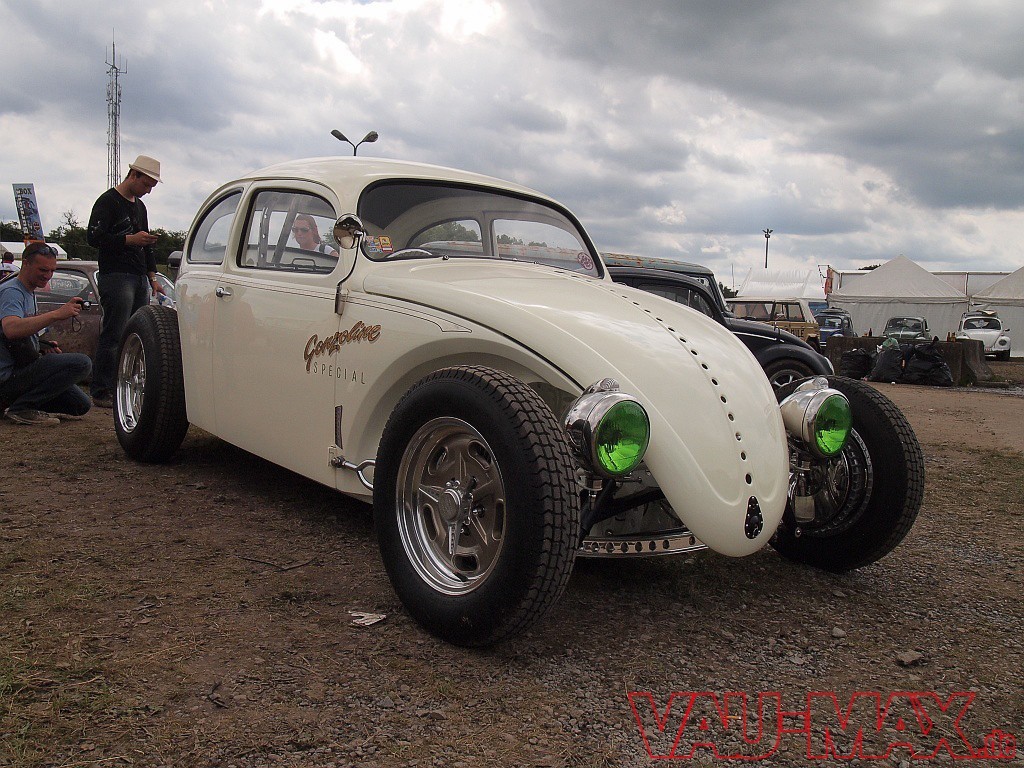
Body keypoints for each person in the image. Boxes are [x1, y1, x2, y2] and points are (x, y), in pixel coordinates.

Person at [87, 154, 166, 407]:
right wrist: (130, 240)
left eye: (151, 187)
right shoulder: (108, 201)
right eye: (146, 185)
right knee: (115, 333)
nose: (147, 191)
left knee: (135, 333)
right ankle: (102, 390)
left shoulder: (140, 207)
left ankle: (126, 387)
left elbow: (146, 247)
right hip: (116, 275)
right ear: (133, 175)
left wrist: (152, 276)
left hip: (138, 276)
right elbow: (93, 237)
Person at [0, 242, 92, 426]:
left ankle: (14, 404)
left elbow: (16, 336)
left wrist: (42, 346)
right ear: (25, 263)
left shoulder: (29, 291)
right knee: (82, 363)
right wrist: (56, 314)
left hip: (19, 371)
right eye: (43, 270)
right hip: (7, 378)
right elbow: (11, 329)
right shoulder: (12, 291)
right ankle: (22, 409)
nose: (48, 275)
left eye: (52, 270)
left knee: (80, 404)